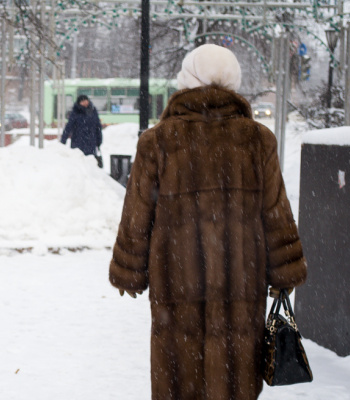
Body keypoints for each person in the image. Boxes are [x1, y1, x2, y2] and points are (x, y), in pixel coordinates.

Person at [108, 44, 307, 400]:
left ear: (187, 82)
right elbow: (275, 211)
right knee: (235, 380)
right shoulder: (257, 140)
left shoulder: (157, 142)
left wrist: (129, 270)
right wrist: (284, 273)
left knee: (177, 380)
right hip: (240, 285)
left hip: (176, 288)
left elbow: (138, 215)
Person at [61, 94, 103, 163]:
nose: (85, 102)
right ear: (79, 103)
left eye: (86, 100)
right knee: (78, 162)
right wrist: (63, 140)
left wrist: (99, 140)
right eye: (82, 101)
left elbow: (98, 126)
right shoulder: (75, 112)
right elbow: (69, 126)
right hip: (78, 142)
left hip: (91, 142)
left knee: (91, 162)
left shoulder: (93, 111)